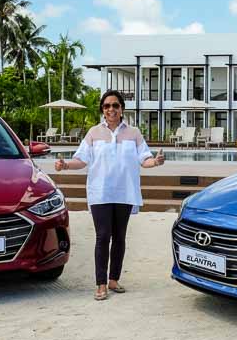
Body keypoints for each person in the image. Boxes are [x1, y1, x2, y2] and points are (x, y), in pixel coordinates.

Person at [55, 90, 165, 300]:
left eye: (115, 105)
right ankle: (101, 283)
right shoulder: (94, 133)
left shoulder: (133, 133)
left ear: (122, 108)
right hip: (100, 192)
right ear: (102, 110)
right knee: (103, 236)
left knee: (120, 237)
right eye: (107, 106)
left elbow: (145, 159)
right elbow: (82, 159)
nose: (111, 109)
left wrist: (155, 162)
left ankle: (114, 279)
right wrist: (66, 164)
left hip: (125, 192)